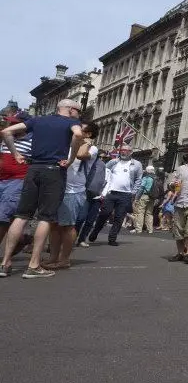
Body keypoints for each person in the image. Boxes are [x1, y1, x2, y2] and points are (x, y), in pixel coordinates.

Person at [0, 99, 84, 279]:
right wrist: (70, 159)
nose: (79, 114)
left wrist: (15, 154)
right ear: (70, 110)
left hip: (33, 169)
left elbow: (7, 131)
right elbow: (78, 135)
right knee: (45, 217)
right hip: (53, 171)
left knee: (21, 215)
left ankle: (5, 263)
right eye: (78, 110)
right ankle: (34, 265)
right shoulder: (71, 122)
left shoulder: (38, 120)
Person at [45, 122, 99, 270]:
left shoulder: (91, 148)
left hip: (74, 190)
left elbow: (81, 155)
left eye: (81, 129)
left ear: (88, 134)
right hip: (58, 187)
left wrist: (86, 142)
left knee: (68, 226)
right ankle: (53, 257)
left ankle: (64, 259)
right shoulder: (68, 144)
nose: (75, 130)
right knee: (54, 225)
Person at [89, 145, 143, 246]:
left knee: (119, 217)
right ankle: (95, 231)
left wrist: (134, 192)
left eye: (126, 150)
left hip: (126, 194)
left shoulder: (137, 164)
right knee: (105, 213)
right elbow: (104, 174)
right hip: (111, 192)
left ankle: (112, 238)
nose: (123, 152)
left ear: (131, 152)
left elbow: (138, 179)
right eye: (122, 150)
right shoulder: (113, 162)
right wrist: (102, 189)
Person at [0, 108, 32, 252]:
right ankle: (23, 238)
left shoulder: (33, 141)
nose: (10, 126)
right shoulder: (6, 137)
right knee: (10, 218)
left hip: (17, 181)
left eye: (14, 124)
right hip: (2, 179)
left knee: (3, 217)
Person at [131, 165, 160, 234]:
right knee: (149, 213)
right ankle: (150, 229)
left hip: (145, 196)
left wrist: (137, 198)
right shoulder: (156, 178)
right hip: (152, 197)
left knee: (140, 212)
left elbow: (141, 188)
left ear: (147, 171)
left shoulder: (146, 178)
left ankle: (139, 229)